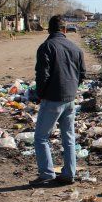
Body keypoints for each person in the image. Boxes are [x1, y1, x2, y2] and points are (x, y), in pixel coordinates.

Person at [31, 15, 86, 186]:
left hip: (52, 99)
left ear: (49, 29)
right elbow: (82, 74)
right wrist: (72, 89)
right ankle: (69, 173)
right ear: (65, 29)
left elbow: (42, 75)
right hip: (70, 99)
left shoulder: (46, 47)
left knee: (41, 137)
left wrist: (40, 95)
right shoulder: (76, 48)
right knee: (68, 137)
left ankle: (47, 173)